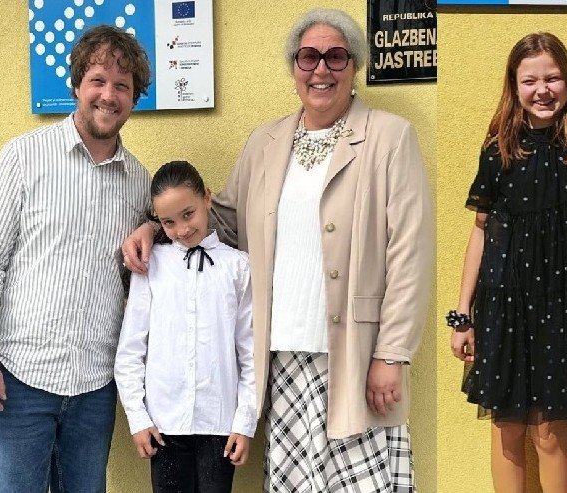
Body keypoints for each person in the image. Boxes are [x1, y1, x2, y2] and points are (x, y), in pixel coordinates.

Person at [122, 8, 434, 492]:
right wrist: (153, 228)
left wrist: (392, 353)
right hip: (284, 357)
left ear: (354, 66)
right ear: (294, 68)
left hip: (354, 353)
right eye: (308, 57)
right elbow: (220, 219)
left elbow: (409, 254)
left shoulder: (389, 137)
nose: (321, 69)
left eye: (336, 57)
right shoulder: (265, 143)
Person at [448, 32, 567, 493]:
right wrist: (462, 316)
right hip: (506, 305)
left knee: (550, 431)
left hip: (565, 306)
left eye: (552, 78)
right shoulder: (499, 149)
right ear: (514, 85)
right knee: (507, 429)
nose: (542, 90)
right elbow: (480, 232)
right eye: (530, 81)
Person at [0, 25, 151, 493]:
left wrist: (151, 226)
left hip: (95, 387)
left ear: (134, 98)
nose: (108, 95)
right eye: (98, 80)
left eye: (122, 85)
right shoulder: (23, 157)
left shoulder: (139, 182)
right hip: (20, 380)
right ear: (77, 85)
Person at [114, 161, 256, 493]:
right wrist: (138, 418)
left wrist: (245, 422)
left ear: (207, 198)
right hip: (164, 425)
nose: (182, 229)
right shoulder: (152, 265)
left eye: (188, 214)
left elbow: (249, 352)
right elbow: (130, 350)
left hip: (220, 423)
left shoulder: (238, 267)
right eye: (169, 222)